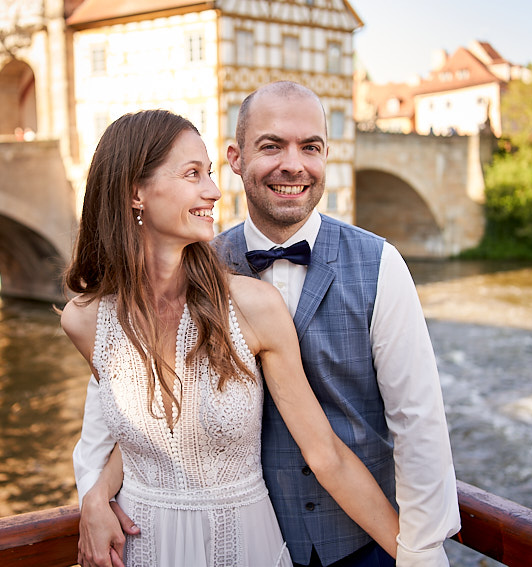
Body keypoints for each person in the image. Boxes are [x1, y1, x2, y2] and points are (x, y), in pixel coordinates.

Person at [73, 82, 461, 567]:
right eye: (272, 145)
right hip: (245, 537)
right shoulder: (187, 268)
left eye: (311, 147)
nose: (293, 165)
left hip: (362, 543)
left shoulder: (380, 263)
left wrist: (420, 551)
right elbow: (118, 421)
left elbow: (417, 420)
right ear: (237, 158)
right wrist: (93, 496)